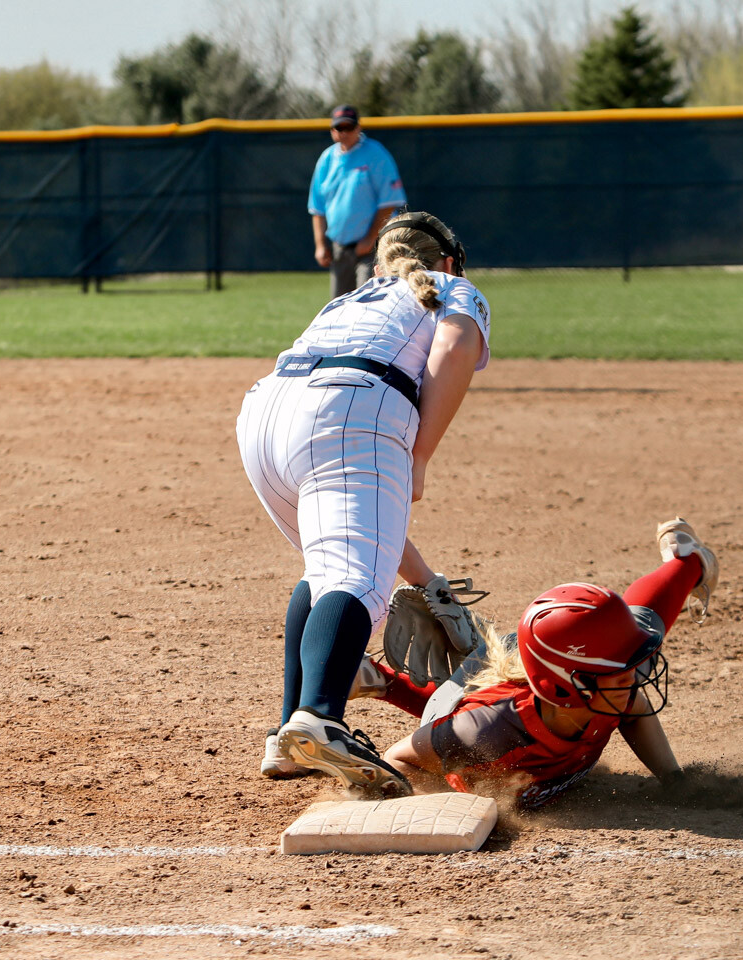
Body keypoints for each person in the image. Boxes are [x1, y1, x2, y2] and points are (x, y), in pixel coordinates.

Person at [235, 210, 491, 797]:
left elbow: (374, 524)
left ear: (381, 264)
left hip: (266, 418)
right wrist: (420, 455)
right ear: (448, 262)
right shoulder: (451, 287)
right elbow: (455, 346)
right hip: (352, 406)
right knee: (353, 578)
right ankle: (319, 720)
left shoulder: (346, 302)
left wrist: (427, 582)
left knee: (330, 567)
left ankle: (290, 732)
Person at [341, 518, 718, 809]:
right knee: (461, 729)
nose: (631, 679)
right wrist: (455, 806)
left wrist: (674, 780)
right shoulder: (486, 730)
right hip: (481, 713)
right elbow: (398, 759)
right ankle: (382, 680)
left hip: (543, 680)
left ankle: (688, 559)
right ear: (565, 687)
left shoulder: (610, 685)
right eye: (617, 672)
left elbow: (632, 707)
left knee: (644, 623)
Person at [308, 105, 407, 298]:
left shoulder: (375, 154)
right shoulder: (327, 159)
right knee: (340, 305)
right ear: (332, 130)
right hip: (340, 246)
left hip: (374, 245)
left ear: (358, 128)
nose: (344, 132)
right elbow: (317, 208)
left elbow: (389, 201)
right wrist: (320, 245)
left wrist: (370, 238)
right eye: (339, 127)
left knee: (369, 301)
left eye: (349, 127)